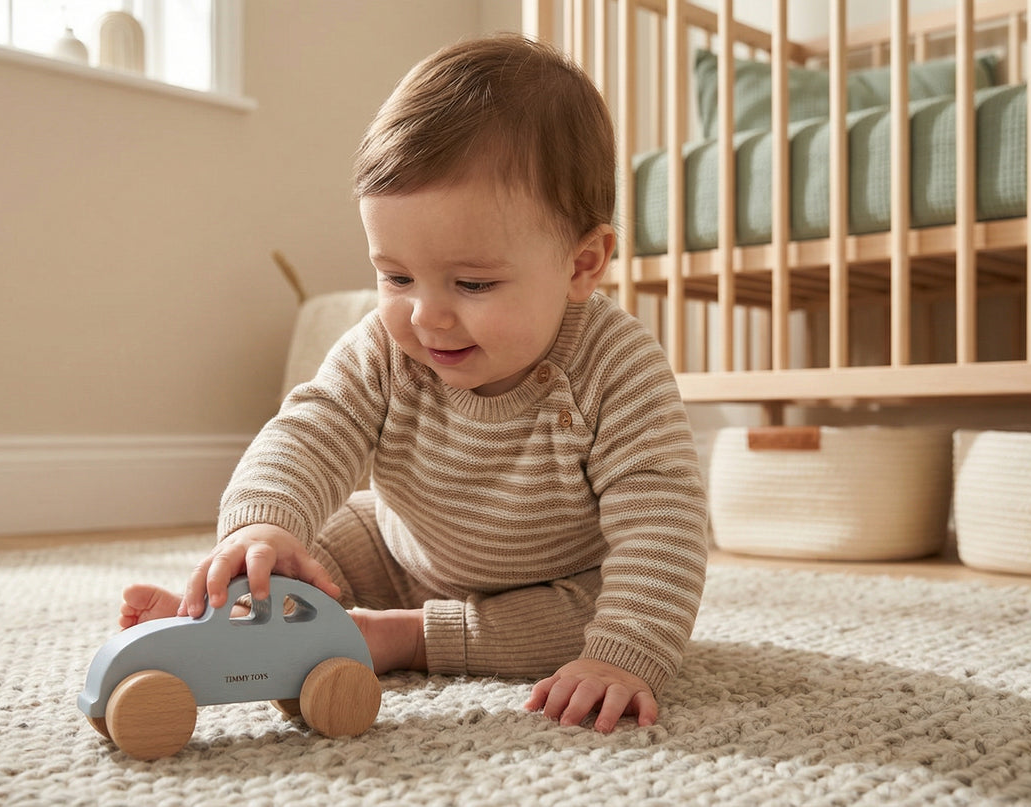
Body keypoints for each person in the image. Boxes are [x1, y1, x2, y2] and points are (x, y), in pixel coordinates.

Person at [121, 33, 708, 734]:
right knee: (303, 550)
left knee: (589, 622)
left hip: (550, 586)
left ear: (583, 264)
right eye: (395, 276)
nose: (425, 314)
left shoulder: (618, 367)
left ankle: (399, 637)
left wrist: (624, 655)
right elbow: (312, 429)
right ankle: (216, 623)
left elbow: (662, 520)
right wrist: (264, 525)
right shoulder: (383, 347)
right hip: (398, 549)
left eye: (472, 282)